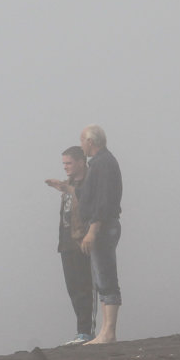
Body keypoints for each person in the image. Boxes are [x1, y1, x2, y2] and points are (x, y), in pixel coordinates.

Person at [45, 146, 96, 344]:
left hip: (80, 241)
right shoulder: (70, 183)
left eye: (69, 163)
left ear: (81, 162)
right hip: (66, 242)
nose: (65, 167)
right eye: (63, 163)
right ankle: (81, 332)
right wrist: (62, 187)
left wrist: (89, 235)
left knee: (84, 287)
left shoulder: (89, 181)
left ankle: (86, 331)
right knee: (73, 288)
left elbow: (91, 203)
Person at [77, 124, 123, 345]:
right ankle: (105, 331)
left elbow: (103, 201)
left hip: (103, 228)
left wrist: (93, 230)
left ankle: (109, 332)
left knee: (106, 277)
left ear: (90, 142)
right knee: (102, 277)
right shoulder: (100, 162)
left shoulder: (103, 163)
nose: (81, 146)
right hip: (103, 226)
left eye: (82, 141)